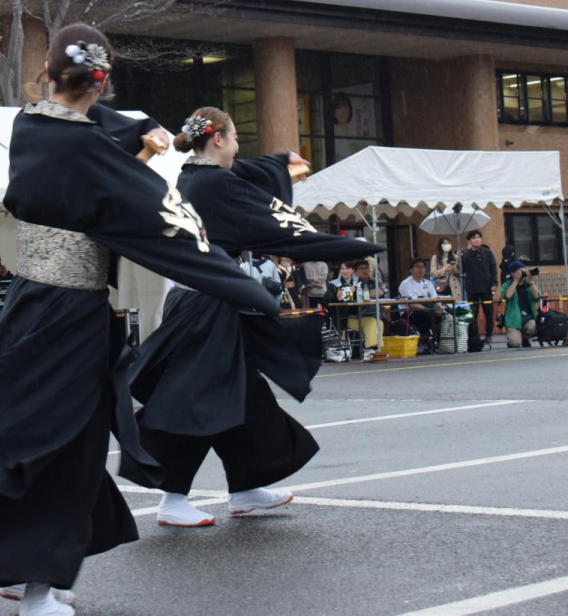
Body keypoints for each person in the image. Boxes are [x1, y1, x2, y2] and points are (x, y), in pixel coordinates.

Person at [0, 27, 280, 616]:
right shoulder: (83, 147)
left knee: (40, 439)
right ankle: (34, 588)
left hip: (38, 306)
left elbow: (105, 129)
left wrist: (145, 134)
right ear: (100, 82)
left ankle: (24, 572)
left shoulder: (33, 124)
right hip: (65, 313)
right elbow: (163, 220)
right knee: (62, 445)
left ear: (48, 77)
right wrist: (238, 283)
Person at [120, 106, 379, 533]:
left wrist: (280, 165)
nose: (239, 146)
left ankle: (246, 485)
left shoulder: (193, 177)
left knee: (244, 394)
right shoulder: (215, 183)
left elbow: (250, 177)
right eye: (236, 137)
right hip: (207, 304)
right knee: (195, 397)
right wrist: (335, 245)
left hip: (207, 300)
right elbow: (270, 224)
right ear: (218, 139)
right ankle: (172, 496)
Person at [462, 230, 496, 351]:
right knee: (473, 313)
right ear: (469, 241)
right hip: (472, 287)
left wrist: (494, 283)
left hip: (486, 286)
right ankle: (474, 335)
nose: (476, 240)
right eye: (474, 238)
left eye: (478, 237)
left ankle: (489, 334)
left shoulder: (487, 253)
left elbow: (493, 268)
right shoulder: (466, 255)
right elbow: (462, 269)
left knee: (489, 311)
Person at [398, 258, 439, 352]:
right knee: (426, 315)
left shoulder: (428, 283)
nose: (420, 269)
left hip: (427, 309)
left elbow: (435, 298)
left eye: (422, 267)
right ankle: (424, 341)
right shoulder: (406, 284)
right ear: (411, 269)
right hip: (409, 312)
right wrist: (429, 310)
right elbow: (411, 304)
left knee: (443, 314)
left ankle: (438, 340)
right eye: (417, 266)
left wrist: (440, 308)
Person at [500, 261, 541, 348]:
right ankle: (515, 339)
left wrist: (531, 282)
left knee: (534, 326)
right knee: (515, 343)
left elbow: (537, 296)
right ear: (512, 273)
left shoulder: (527, 284)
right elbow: (507, 296)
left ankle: (524, 338)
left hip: (528, 318)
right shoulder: (507, 284)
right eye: (519, 271)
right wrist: (515, 281)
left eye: (523, 270)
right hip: (513, 321)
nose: (522, 272)